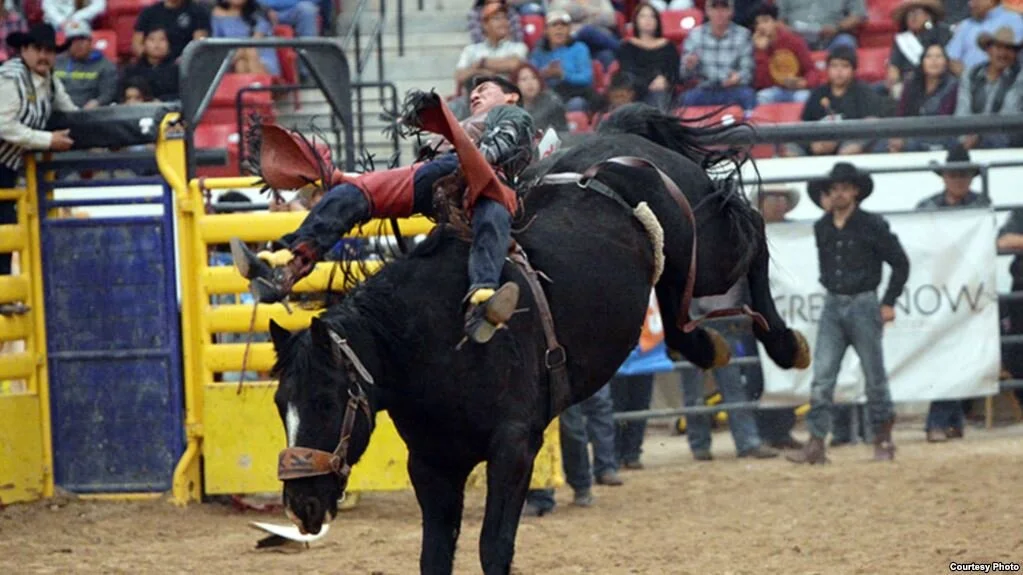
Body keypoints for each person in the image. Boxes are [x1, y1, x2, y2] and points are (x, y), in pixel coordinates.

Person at [230, 76, 536, 344]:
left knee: (492, 213)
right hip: (445, 175)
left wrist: (474, 161)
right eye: (474, 91)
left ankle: (483, 294)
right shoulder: (457, 130)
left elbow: (505, 141)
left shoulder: (509, 113)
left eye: (485, 88)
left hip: (485, 176)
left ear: (511, 96)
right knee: (354, 192)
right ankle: (286, 265)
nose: (475, 94)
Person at [788, 163, 909, 465]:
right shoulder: (825, 226)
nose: (838, 194)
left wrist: (888, 301)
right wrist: (887, 301)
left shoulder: (870, 224)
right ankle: (819, 442)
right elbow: (900, 263)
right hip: (838, 302)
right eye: (834, 189)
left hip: (862, 302)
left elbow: (901, 263)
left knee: (872, 376)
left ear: (855, 191)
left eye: (843, 188)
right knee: (823, 376)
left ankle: (880, 438)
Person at [914, 145, 988, 442]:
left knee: (960, 353)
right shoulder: (928, 207)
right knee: (947, 353)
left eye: (964, 175)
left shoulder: (980, 204)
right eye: (954, 175)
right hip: (936, 287)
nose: (959, 180)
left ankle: (948, 421)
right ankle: (942, 421)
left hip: (969, 287)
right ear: (944, 177)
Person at [0, 23, 77, 282]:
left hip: (6, 167)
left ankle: (4, 292)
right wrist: (47, 140)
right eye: (38, 49)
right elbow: (3, 125)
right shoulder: (10, 78)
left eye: (50, 50)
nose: (44, 56)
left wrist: (103, 133)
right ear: (24, 50)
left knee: (6, 227)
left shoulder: (50, 81)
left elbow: (71, 114)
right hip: (4, 164)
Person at [677, 0, 756, 112]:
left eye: (724, 7)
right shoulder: (695, 35)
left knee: (748, 95)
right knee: (685, 99)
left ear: (731, 11)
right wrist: (689, 67)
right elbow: (684, 76)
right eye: (714, 7)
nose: (719, 12)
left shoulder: (743, 35)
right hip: (704, 89)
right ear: (707, 11)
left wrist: (739, 77)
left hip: (732, 90)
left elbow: (748, 71)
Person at [955, 26, 1023, 150]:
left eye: (1008, 48)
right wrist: (965, 138)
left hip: (1006, 139)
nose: (1003, 53)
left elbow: (1009, 113)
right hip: (968, 136)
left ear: (1014, 54)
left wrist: (979, 137)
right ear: (988, 50)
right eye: (998, 48)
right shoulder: (971, 74)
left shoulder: (1019, 76)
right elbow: (963, 111)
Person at [888, 42, 958, 153]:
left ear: (946, 62)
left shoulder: (953, 86)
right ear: (922, 61)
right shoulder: (911, 84)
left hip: (938, 137)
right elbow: (901, 115)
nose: (934, 61)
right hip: (910, 135)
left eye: (938, 56)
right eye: (929, 56)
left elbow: (944, 121)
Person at [529, 10, 600, 112]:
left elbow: (586, 78)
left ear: (569, 30)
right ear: (546, 30)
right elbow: (530, 75)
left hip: (575, 94)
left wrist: (563, 75)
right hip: (547, 95)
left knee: (576, 103)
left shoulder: (579, 48)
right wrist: (544, 74)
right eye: (554, 25)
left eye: (564, 25)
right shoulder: (538, 53)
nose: (559, 28)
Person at [751, 1, 818, 106]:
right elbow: (760, 83)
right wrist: (761, 52)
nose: (761, 26)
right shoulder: (755, 45)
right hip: (775, 89)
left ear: (776, 22)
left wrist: (804, 82)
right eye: (757, 23)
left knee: (803, 97)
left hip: (796, 89)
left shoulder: (793, 41)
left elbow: (811, 71)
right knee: (763, 96)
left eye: (765, 21)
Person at [614, 2, 679, 111]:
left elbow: (675, 72)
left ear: (657, 21)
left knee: (660, 96)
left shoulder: (668, 46)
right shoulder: (627, 47)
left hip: (662, 91)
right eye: (643, 16)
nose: (648, 20)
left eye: (652, 16)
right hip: (635, 92)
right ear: (636, 21)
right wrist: (650, 82)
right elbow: (627, 72)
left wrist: (665, 80)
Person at [886, 0, 950, 99]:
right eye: (909, 14)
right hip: (908, 83)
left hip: (937, 81)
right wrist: (894, 81)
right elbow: (894, 67)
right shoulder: (902, 39)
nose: (913, 17)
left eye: (917, 13)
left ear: (928, 16)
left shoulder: (941, 33)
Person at [945, 0, 1023, 77]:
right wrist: (969, 78)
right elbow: (952, 59)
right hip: (967, 79)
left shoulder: (1014, 21)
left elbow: (1013, 57)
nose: (970, 4)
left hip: (1006, 80)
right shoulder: (966, 24)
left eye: (975, 1)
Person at [53, 21, 117, 109]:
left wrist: (98, 102)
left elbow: (108, 93)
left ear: (90, 41)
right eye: (72, 41)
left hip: (92, 113)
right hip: (59, 110)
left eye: (82, 39)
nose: (78, 44)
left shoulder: (105, 66)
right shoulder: (55, 63)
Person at [212, 0, 281, 76]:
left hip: (261, 56)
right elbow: (216, 45)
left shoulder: (257, 14)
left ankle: (260, 82)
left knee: (250, 52)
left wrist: (236, 54)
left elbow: (254, 42)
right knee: (240, 64)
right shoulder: (217, 17)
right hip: (235, 59)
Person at [133, 0, 211, 61]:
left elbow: (198, 46)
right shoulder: (149, 12)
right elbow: (137, 44)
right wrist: (150, 60)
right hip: (151, 65)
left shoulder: (198, 12)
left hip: (184, 65)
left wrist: (182, 61)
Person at [514, 63, 568, 132]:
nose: (530, 83)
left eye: (534, 78)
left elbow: (562, 131)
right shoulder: (509, 107)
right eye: (524, 79)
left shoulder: (552, 102)